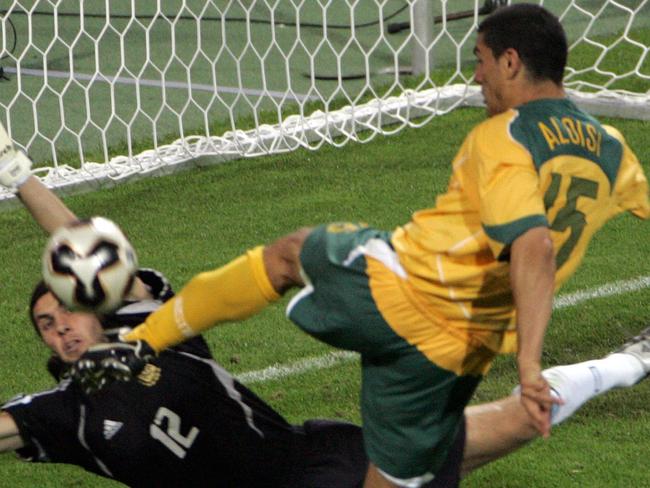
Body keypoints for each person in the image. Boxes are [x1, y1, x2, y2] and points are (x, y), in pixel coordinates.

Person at [72, 4, 649, 487]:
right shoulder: (613, 148)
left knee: (287, 255)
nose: (476, 77)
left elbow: (534, 247)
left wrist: (529, 364)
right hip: (450, 355)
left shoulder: (502, 137)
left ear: (511, 61)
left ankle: (141, 341)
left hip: (392, 289)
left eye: (479, 61)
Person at [2, 276, 650, 487]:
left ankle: (632, 362)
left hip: (318, 462)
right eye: (44, 326)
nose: (58, 328)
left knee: (515, 422)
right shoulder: (66, 416)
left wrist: (20, 174)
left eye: (65, 312)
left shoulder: (166, 337)